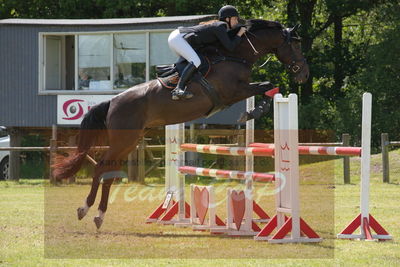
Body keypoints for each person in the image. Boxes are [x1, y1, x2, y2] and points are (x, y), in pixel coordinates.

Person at [168, 5, 247, 100]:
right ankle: (178, 89)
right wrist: (239, 34)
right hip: (178, 38)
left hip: (178, 37)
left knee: (195, 63)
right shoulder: (221, 26)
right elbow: (230, 47)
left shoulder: (219, 27)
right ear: (227, 19)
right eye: (235, 19)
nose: (237, 22)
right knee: (196, 61)